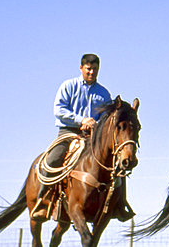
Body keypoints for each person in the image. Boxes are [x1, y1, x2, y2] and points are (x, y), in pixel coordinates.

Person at [32, 54, 134, 221]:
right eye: (88, 69)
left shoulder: (103, 93)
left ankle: (120, 204)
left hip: (93, 138)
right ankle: (43, 201)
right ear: (81, 68)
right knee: (53, 159)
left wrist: (99, 126)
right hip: (68, 133)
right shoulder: (68, 86)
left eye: (95, 69)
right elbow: (59, 110)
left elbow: (107, 119)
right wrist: (81, 120)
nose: (91, 72)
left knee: (117, 165)